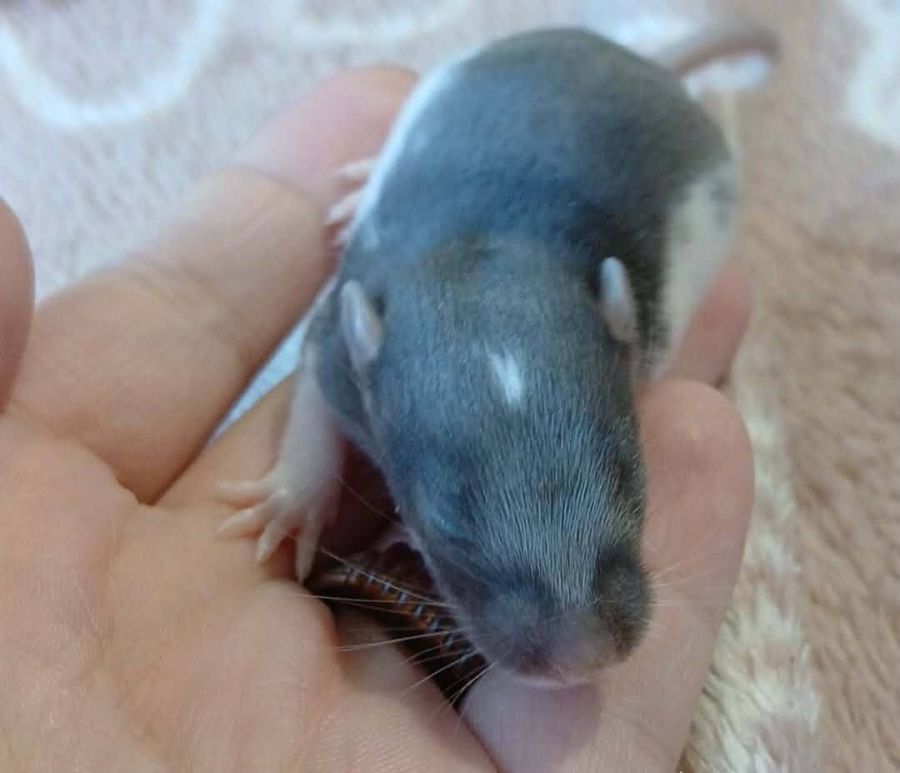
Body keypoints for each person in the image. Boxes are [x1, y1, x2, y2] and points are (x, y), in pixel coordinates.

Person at [0, 66, 753, 772]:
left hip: (610, 139)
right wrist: (302, 479)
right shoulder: (363, 343)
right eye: (457, 518)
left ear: (620, 333)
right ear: (370, 360)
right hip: (499, 97)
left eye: (612, 482)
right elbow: (325, 355)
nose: (578, 643)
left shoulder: (608, 317)